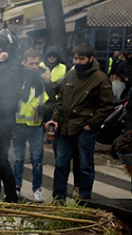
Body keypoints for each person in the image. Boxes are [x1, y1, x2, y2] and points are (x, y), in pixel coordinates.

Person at [45, 42, 115, 201]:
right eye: (75, 58)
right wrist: (55, 119)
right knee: (61, 164)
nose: (77, 62)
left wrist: (91, 124)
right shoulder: (71, 74)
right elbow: (61, 100)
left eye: (81, 59)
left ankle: (83, 199)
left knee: (85, 166)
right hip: (65, 127)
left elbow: (107, 105)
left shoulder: (100, 79)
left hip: (84, 129)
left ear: (90, 58)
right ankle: (58, 199)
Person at [0, 29, 24, 203]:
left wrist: (0, 64)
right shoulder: (2, 65)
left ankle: (11, 195)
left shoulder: (14, 67)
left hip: (4, 119)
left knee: (0, 158)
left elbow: (2, 86)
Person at [13, 49, 54, 203]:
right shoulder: (18, 79)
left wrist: (45, 109)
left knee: (37, 159)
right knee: (18, 158)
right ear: (24, 63)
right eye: (31, 63)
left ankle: (37, 189)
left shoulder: (44, 81)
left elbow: (53, 102)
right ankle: (16, 187)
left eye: (37, 63)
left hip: (36, 125)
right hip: (19, 124)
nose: (34, 66)